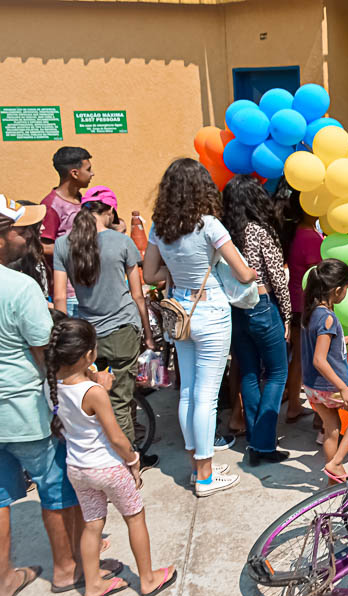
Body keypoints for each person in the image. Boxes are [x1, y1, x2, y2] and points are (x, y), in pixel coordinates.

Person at [0, 195, 122, 596]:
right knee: (57, 492)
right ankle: (68, 568)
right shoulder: (18, 288)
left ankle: (4, 579)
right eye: (22, 230)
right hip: (24, 411)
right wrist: (92, 382)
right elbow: (48, 356)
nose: (32, 235)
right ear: (1, 239)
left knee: (0, 498)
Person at [143, 158, 257, 497]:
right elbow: (243, 272)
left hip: (179, 310)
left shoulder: (159, 226)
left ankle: (198, 465)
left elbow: (149, 275)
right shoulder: (209, 225)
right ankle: (206, 475)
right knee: (206, 395)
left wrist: (175, 276)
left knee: (189, 391)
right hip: (210, 310)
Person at [47, 317, 176, 596]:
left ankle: (92, 583)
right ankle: (148, 578)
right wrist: (133, 460)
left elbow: (77, 395)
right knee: (135, 517)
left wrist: (93, 380)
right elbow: (116, 437)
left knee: (93, 523)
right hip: (108, 467)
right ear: (88, 355)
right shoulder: (94, 394)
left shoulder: (54, 386)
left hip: (78, 468)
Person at [52, 186, 156, 455]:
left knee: (96, 395)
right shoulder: (122, 242)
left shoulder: (64, 244)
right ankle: (130, 461)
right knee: (121, 400)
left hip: (88, 335)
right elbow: (137, 295)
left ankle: (108, 454)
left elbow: (60, 298)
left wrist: (64, 335)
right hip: (123, 331)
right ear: (109, 211)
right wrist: (147, 333)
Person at [221, 176, 292, 466]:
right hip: (263, 304)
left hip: (235, 308)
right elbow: (276, 276)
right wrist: (287, 314)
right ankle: (264, 444)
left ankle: (254, 441)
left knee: (249, 373)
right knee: (277, 372)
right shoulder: (259, 230)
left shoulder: (224, 232)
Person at [301, 259, 348, 483]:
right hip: (330, 386)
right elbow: (320, 360)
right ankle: (337, 462)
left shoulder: (311, 312)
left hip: (312, 387)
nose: (346, 292)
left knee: (331, 427)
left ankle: (334, 478)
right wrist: (344, 388)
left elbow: (325, 345)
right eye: (347, 287)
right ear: (338, 290)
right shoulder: (328, 318)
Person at [283, 189, 323, 424]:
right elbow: (321, 267)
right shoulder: (309, 237)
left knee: (298, 357)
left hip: (296, 301)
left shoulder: (296, 232)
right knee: (309, 358)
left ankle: (294, 405)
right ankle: (307, 409)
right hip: (306, 304)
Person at [40, 147, 95, 310]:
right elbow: (42, 247)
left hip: (91, 287)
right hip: (69, 294)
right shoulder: (51, 206)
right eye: (88, 169)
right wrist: (76, 248)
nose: (92, 174)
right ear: (74, 173)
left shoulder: (85, 201)